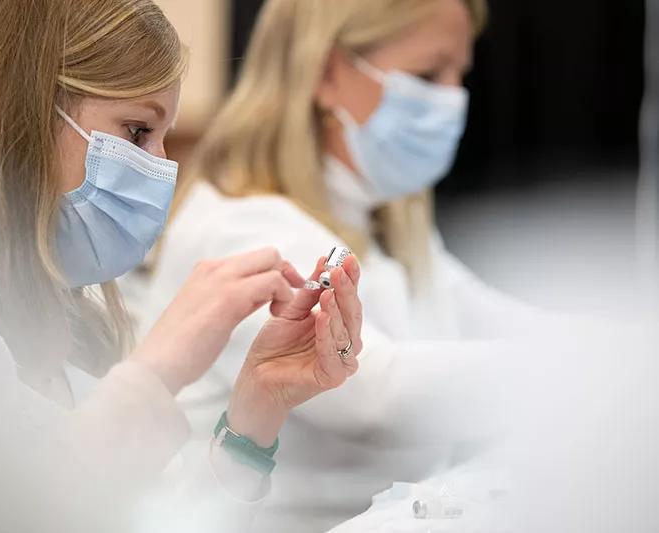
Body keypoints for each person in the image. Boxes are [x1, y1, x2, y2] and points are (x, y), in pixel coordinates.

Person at [0, 1, 364, 532]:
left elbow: (148, 519)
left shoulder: (70, 317)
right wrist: (158, 369)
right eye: (138, 131)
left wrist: (256, 410)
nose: (162, 165)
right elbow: (18, 509)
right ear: (16, 115)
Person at [134, 0, 543, 531]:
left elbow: (486, 313)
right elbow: (376, 395)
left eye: (459, 75)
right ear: (327, 72)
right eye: (427, 74)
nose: (454, 100)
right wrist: (582, 371)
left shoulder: (387, 213)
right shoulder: (239, 227)